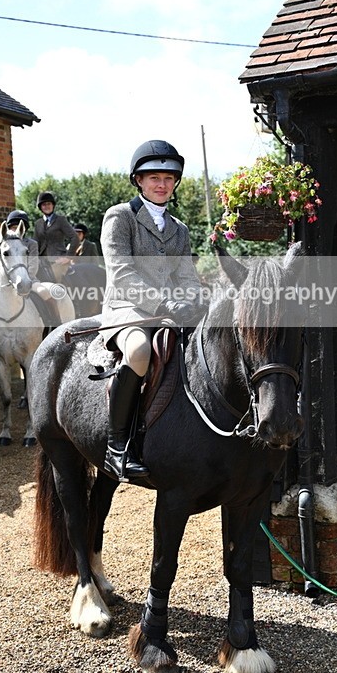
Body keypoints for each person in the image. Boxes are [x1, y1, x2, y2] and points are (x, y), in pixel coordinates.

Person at [100, 139, 207, 482]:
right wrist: (164, 303)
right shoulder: (120, 217)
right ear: (139, 180)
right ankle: (117, 447)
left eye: (168, 178)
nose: (162, 184)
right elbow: (122, 274)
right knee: (139, 350)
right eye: (154, 178)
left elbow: (187, 277)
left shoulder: (180, 229)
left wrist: (197, 300)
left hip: (169, 312)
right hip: (127, 309)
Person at [0, 209, 73, 351]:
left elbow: (33, 265)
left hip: (29, 280)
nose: (14, 229)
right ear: (8, 227)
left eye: (17, 227)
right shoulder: (2, 244)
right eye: (12, 226)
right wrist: (0, 282)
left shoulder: (31, 243)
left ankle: (56, 326)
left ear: (23, 229)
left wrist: (25, 278)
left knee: (46, 293)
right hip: (4, 283)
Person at [34, 191, 79, 282]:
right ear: (40, 207)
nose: (47, 206)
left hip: (58, 260)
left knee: (56, 283)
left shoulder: (60, 220)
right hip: (42, 262)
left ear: (53, 205)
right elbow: (36, 243)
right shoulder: (38, 223)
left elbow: (75, 238)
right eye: (44, 205)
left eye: (49, 204)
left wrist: (68, 257)